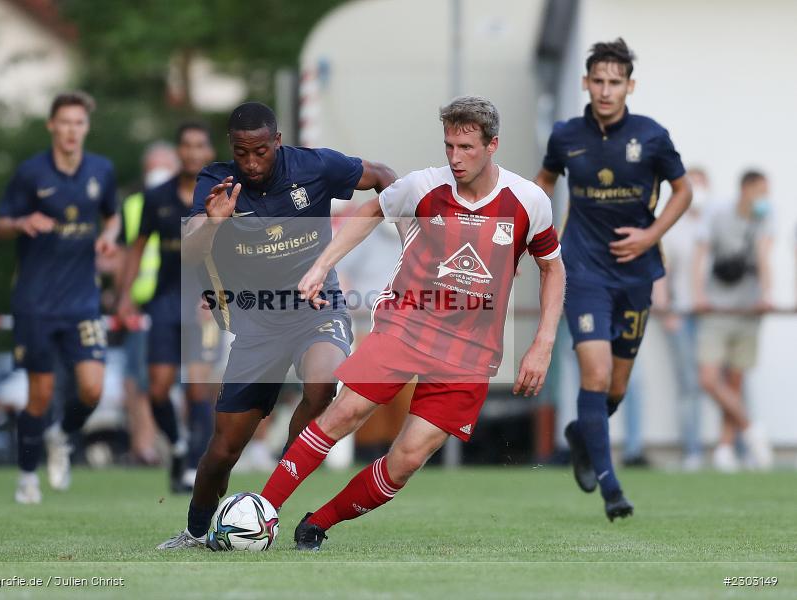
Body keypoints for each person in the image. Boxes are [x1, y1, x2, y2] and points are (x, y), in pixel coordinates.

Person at [253, 95, 564, 550]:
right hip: (406, 325)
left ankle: (318, 522)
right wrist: (322, 265)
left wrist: (544, 342)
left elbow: (552, 267)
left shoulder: (528, 201)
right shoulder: (422, 187)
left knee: (407, 459)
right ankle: (260, 512)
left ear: (492, 145)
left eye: (467, 148)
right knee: (345, 412)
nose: (455, 158)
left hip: (470, 353)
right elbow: (372, 211)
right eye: (449, 146)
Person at [157, 101, 396, 549]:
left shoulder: (316, 166)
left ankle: (270, 498)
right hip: (258, 324)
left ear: (277, 142)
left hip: (317, 309)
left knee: (324, 384)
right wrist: (212, 223)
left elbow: (382, 175)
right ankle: (193, 531)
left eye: (260, 152)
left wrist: (412, 231)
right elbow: (188, 254)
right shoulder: (216, 182)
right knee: (222, 451)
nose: (251, 162)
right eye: (242, 152)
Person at [534, 38, 691, 519]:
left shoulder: (653, 136)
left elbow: (683, 192)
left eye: (614, 82)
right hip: (581, 271)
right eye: (598, 81)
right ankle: (611, 488)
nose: (605, 90)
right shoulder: (565, 135)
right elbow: (544, 182)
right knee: (596, 375)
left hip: (637, 274)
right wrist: (535, 235)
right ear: (586, 82)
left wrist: (650, 236)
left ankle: (583, 436)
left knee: (616, 389)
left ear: (629, 86)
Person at [0, 91, 120, 504]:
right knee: (40, 394)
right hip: (36, 302)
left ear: (86, 127)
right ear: (52, 125)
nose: (71, 130)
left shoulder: (102, 168)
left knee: (92, 389)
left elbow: (112, 214)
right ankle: (27, 475)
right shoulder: (31, 173)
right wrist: (21, 221)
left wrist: (108, 237)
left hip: (83, 299)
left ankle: (62, 437)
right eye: (64, 122)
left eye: (78, 123)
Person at [117, 123, 219, 492]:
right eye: (186, 145)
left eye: (199, 145)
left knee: (197, 389)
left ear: (208, 152)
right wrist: (124, 295)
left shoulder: (222, 194)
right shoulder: (157, 196)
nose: (193, 152)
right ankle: (176, 446)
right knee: (158, 390)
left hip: (205, 302)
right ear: (179, 151)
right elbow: (137, 247)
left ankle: (195, 463)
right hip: (164, 302)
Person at [693, 170, 774, 471]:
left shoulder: (765, 217)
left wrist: (766, 293)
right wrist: (698, 294)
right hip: (717, 309)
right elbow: (700, 253)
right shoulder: (718, 214)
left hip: (748, 310)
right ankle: (752, 428)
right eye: (761, 191)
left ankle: (725, 449)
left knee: (735, 382)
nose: (765, 198)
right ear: (745, 189)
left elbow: (764, 257)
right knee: (709, 379)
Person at [119, 141, 179, 466]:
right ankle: (144, 447)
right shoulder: (134, 206)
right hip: (145, 307)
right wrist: (123, 296)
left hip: (185, 303)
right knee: (141, 382)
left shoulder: (190, 200)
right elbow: (126, 252)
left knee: (194, 384)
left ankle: (182, 445)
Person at [653, 167, 711, 470]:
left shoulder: (710, 226)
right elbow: (662, 274)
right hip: (683, 316)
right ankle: (693, 450)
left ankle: (737, 446)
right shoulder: (673, 229)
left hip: (712, 317)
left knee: (720, 380)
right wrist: (666, 311)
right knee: (689, 383)